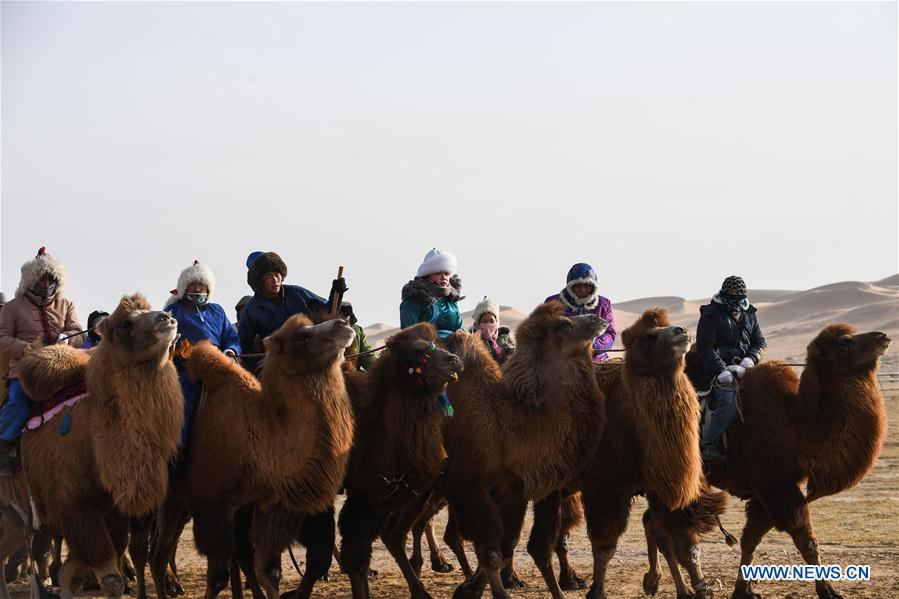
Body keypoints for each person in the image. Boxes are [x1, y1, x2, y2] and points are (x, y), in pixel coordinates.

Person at [0, 248, 84, 476]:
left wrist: (67, 339)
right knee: (18, 403)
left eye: (51, 279)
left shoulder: (67, 305)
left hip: (62, 367)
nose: (47, 283)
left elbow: (79, 333)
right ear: (31, 279)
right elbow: (3, 338)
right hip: (25, 370)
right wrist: (26, 349)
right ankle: (3, 446)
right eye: (42, 278)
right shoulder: (12, 307)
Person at [165, 260, 241, 449]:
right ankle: (177, 450)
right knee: (183, 401)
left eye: (202, 285)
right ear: (185, 287)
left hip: (218, 365)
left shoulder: (218, 311)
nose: (198, 289)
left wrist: (231, 352)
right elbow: (163, 336)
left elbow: (231, 337)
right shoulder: (174, 310)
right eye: (194, 284)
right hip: (186, 369)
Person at [696, 275, 767, 464]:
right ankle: (708, 445)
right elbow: (705, 347)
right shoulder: (711, 313)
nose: (735, 295)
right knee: (727, 399)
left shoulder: (750, 314)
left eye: (738, 292)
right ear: (724, 292)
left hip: (745, 368)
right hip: (718, 369)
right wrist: (720, 370)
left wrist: (751, 358)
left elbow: (760, 342)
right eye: (731, 292)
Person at [238, 251, 347, 366]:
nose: (275, 280)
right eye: (269, 276)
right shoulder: (251, 310)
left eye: (276, 273)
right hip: (280, 364)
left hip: (313, 352)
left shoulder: (297, 292)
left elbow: (327, 311)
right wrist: (262, 365)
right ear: (259, 281)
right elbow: (245, 346)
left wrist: (337, 292)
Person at [544, 263, 617, 363]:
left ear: (593, 286)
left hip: (596, 360)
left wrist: (593, 346)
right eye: (578, 285)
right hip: (560, 360)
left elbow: (610, 333)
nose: (583, 289)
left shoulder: (603, 304)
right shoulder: (552, 303)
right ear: (570, 286)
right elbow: (545, 332)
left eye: (587, 286)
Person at [400, 249, 463, 339]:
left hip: (455, 348)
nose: (444, 277)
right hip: (426, 349)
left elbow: (460, 331)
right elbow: (409, 336)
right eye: (437, 273)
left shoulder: (451, 302)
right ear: (427, 276)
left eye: (446, 273)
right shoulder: (413, 302)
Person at [469, 297, 515, 364]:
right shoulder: (472, 340)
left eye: (491, 321)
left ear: (496, 321)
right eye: (484, 321)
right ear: (478, 323)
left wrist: (508, 353)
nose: (488, 324)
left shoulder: (506, 336)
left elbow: (517, 356)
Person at [338, 302, 376, 371]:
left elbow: (367, 356)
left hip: (352, 374)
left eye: (346, 313)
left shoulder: (357, 331)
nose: (342, 316)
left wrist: (380, 370)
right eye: (339, 312)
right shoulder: (325, 331)